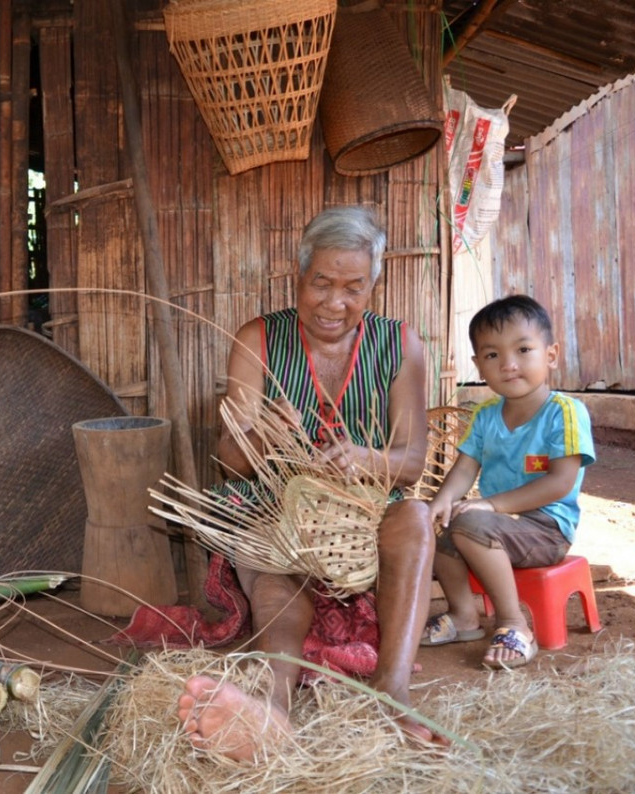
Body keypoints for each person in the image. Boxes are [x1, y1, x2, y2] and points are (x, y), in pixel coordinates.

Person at [175, 205, 437, 761]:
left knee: (414, 520)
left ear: (373, 286)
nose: (334, 302)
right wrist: (260, 442)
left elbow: (412, 461)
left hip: (365, 512)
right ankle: (272, 708)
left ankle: (395, 694)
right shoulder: (259, 339)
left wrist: (366, 458)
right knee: (275, 567)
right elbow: (229, 463)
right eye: (321, 283)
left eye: (353, 287)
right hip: (278, 507)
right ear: (299, 276)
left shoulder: (400, 345)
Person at [420, 294, 595, 669]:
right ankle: (464, 616)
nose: (509, 364)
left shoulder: (563, 412)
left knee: (467, 523)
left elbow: (560, 483)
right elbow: (465, 467)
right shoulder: (484, 415)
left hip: (546, 529)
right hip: (493, 524)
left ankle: (515, 624)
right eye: (493, 355)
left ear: (550, 354)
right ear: (478, 365)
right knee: (439, 521)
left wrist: (490, 504)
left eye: (523, 349)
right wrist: (440, 502)